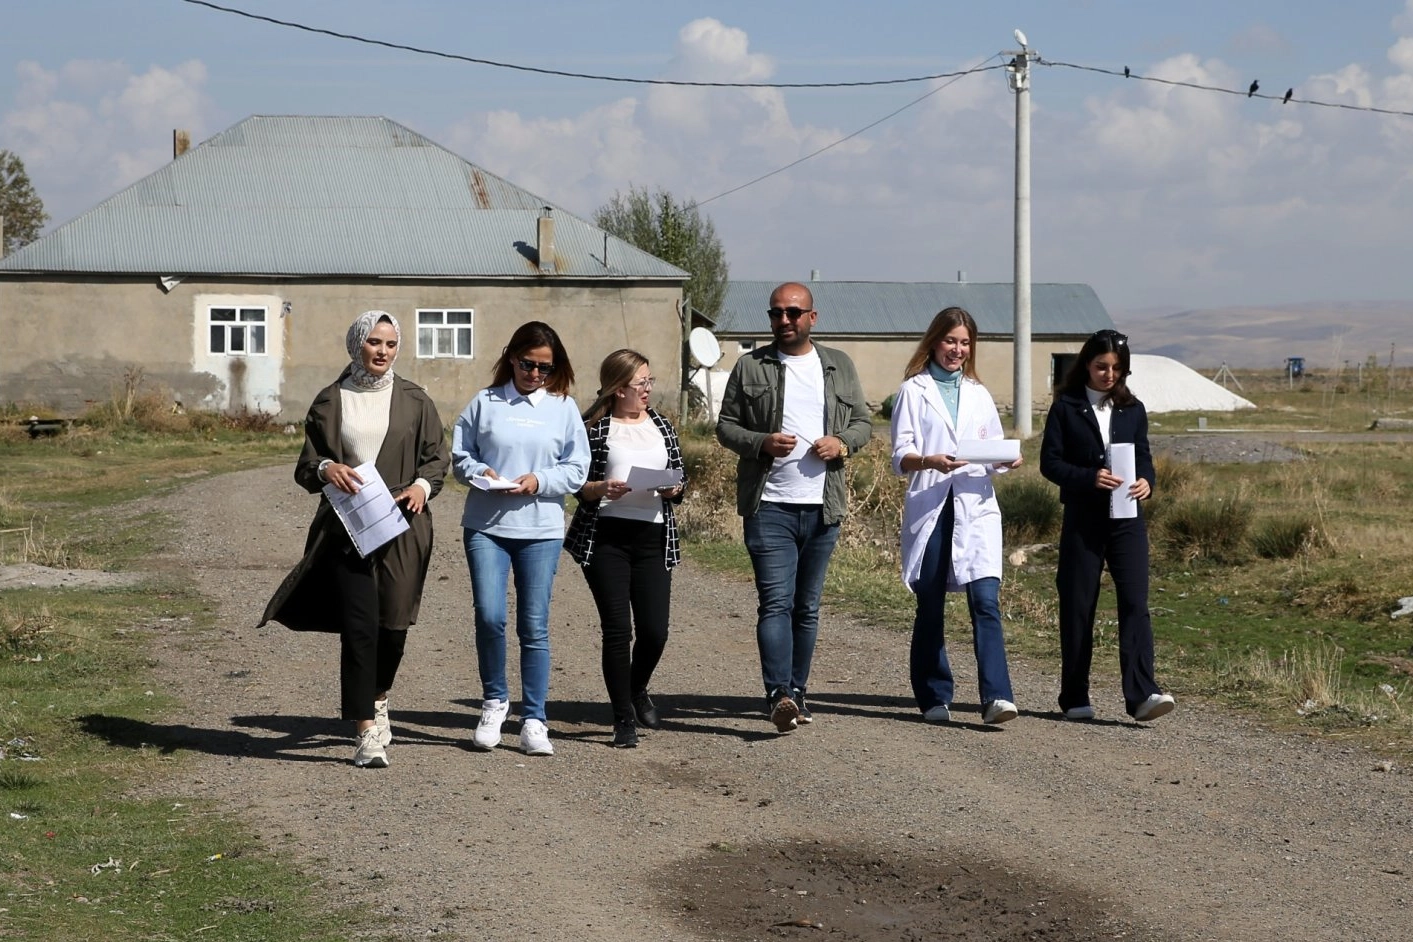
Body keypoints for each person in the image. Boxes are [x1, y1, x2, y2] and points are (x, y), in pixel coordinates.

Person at [260, 310, 448, 768]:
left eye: (390, 344)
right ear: (356, 345)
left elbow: (435, 459)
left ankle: (379, 695)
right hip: (348, 525)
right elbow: (308, 465)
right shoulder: (330, 400)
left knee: (395, 624)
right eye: (374, 343)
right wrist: (327, 469)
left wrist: (421, 488)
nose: (383, 351)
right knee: (360, 625)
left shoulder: (416, 400)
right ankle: (364, 729)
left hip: (403, 522)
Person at [716, 281, 874, 733]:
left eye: (793, 313)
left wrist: (842, 443)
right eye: (776, 314)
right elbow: (726, 427)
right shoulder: (750, 366)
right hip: (769, 506)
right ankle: (777, 693)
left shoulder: (838, 365)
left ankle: (798, 691)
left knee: (806, 608)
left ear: (812, 318)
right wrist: (760, 442)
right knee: (775, 604)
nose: (783, 321)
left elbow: (863, 423)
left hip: (823, 509)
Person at [451, 322, 589, 757]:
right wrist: (479, 473)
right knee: (490, 615)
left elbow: (577, 468)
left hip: (541, 529)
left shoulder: (563, 407)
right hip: (487, 525)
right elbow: (460, 457)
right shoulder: (485, 402)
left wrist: (539, 480)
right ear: (512, 357)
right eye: (528, 364)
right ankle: (494, 701)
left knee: (534, 624)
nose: (535, 374)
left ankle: (534, 718)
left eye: (545, 368)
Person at [890, 307, 1023, 726]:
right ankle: (933, 695)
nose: (958, 350)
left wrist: (1006, 460)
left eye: (965, 343)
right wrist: (927, 460)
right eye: (951, 341)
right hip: (932, 503)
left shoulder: (979, 393)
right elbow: (900, 455)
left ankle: (997, 696)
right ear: (934, 341)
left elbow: (993, 447)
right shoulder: (914, 390)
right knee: (930, 603)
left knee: (985, 599)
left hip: (975, 507)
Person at [1039, 328, 1176, 722]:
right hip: (1083, 520)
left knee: (1135, 604)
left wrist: (1147, 482)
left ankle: (1142, 695)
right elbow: (1050, 464)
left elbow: (1144, 456)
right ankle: (1075, 697)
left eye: (1117, 368)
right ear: (1086, 364)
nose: (1109, 374)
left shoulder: (1134, 409)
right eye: (1101, 366)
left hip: (1127, 520)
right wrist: (1088, 477)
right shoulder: (1065, 407)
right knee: (1079, 606)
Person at [566, 350, 687, 748]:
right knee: (618, 631)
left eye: (650, 382)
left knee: (655, 632)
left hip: (654, 538)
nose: (648, 390)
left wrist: (674, 487)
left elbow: (680, 477)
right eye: (641, 384)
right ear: (619, 390)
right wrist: (598, 489)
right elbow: (576, 485)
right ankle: (622, 720)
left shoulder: (662, 425)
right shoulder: (594, 430)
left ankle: (636, 690)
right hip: (606, 539)